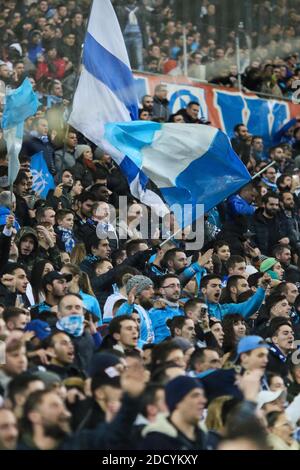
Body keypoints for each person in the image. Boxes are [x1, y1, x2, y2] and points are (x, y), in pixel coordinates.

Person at [140, 375, 207, 450]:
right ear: (177, 401)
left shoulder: (207, 437)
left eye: (202, 396)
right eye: (195, 396)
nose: (203, 401)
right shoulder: (156, 442)